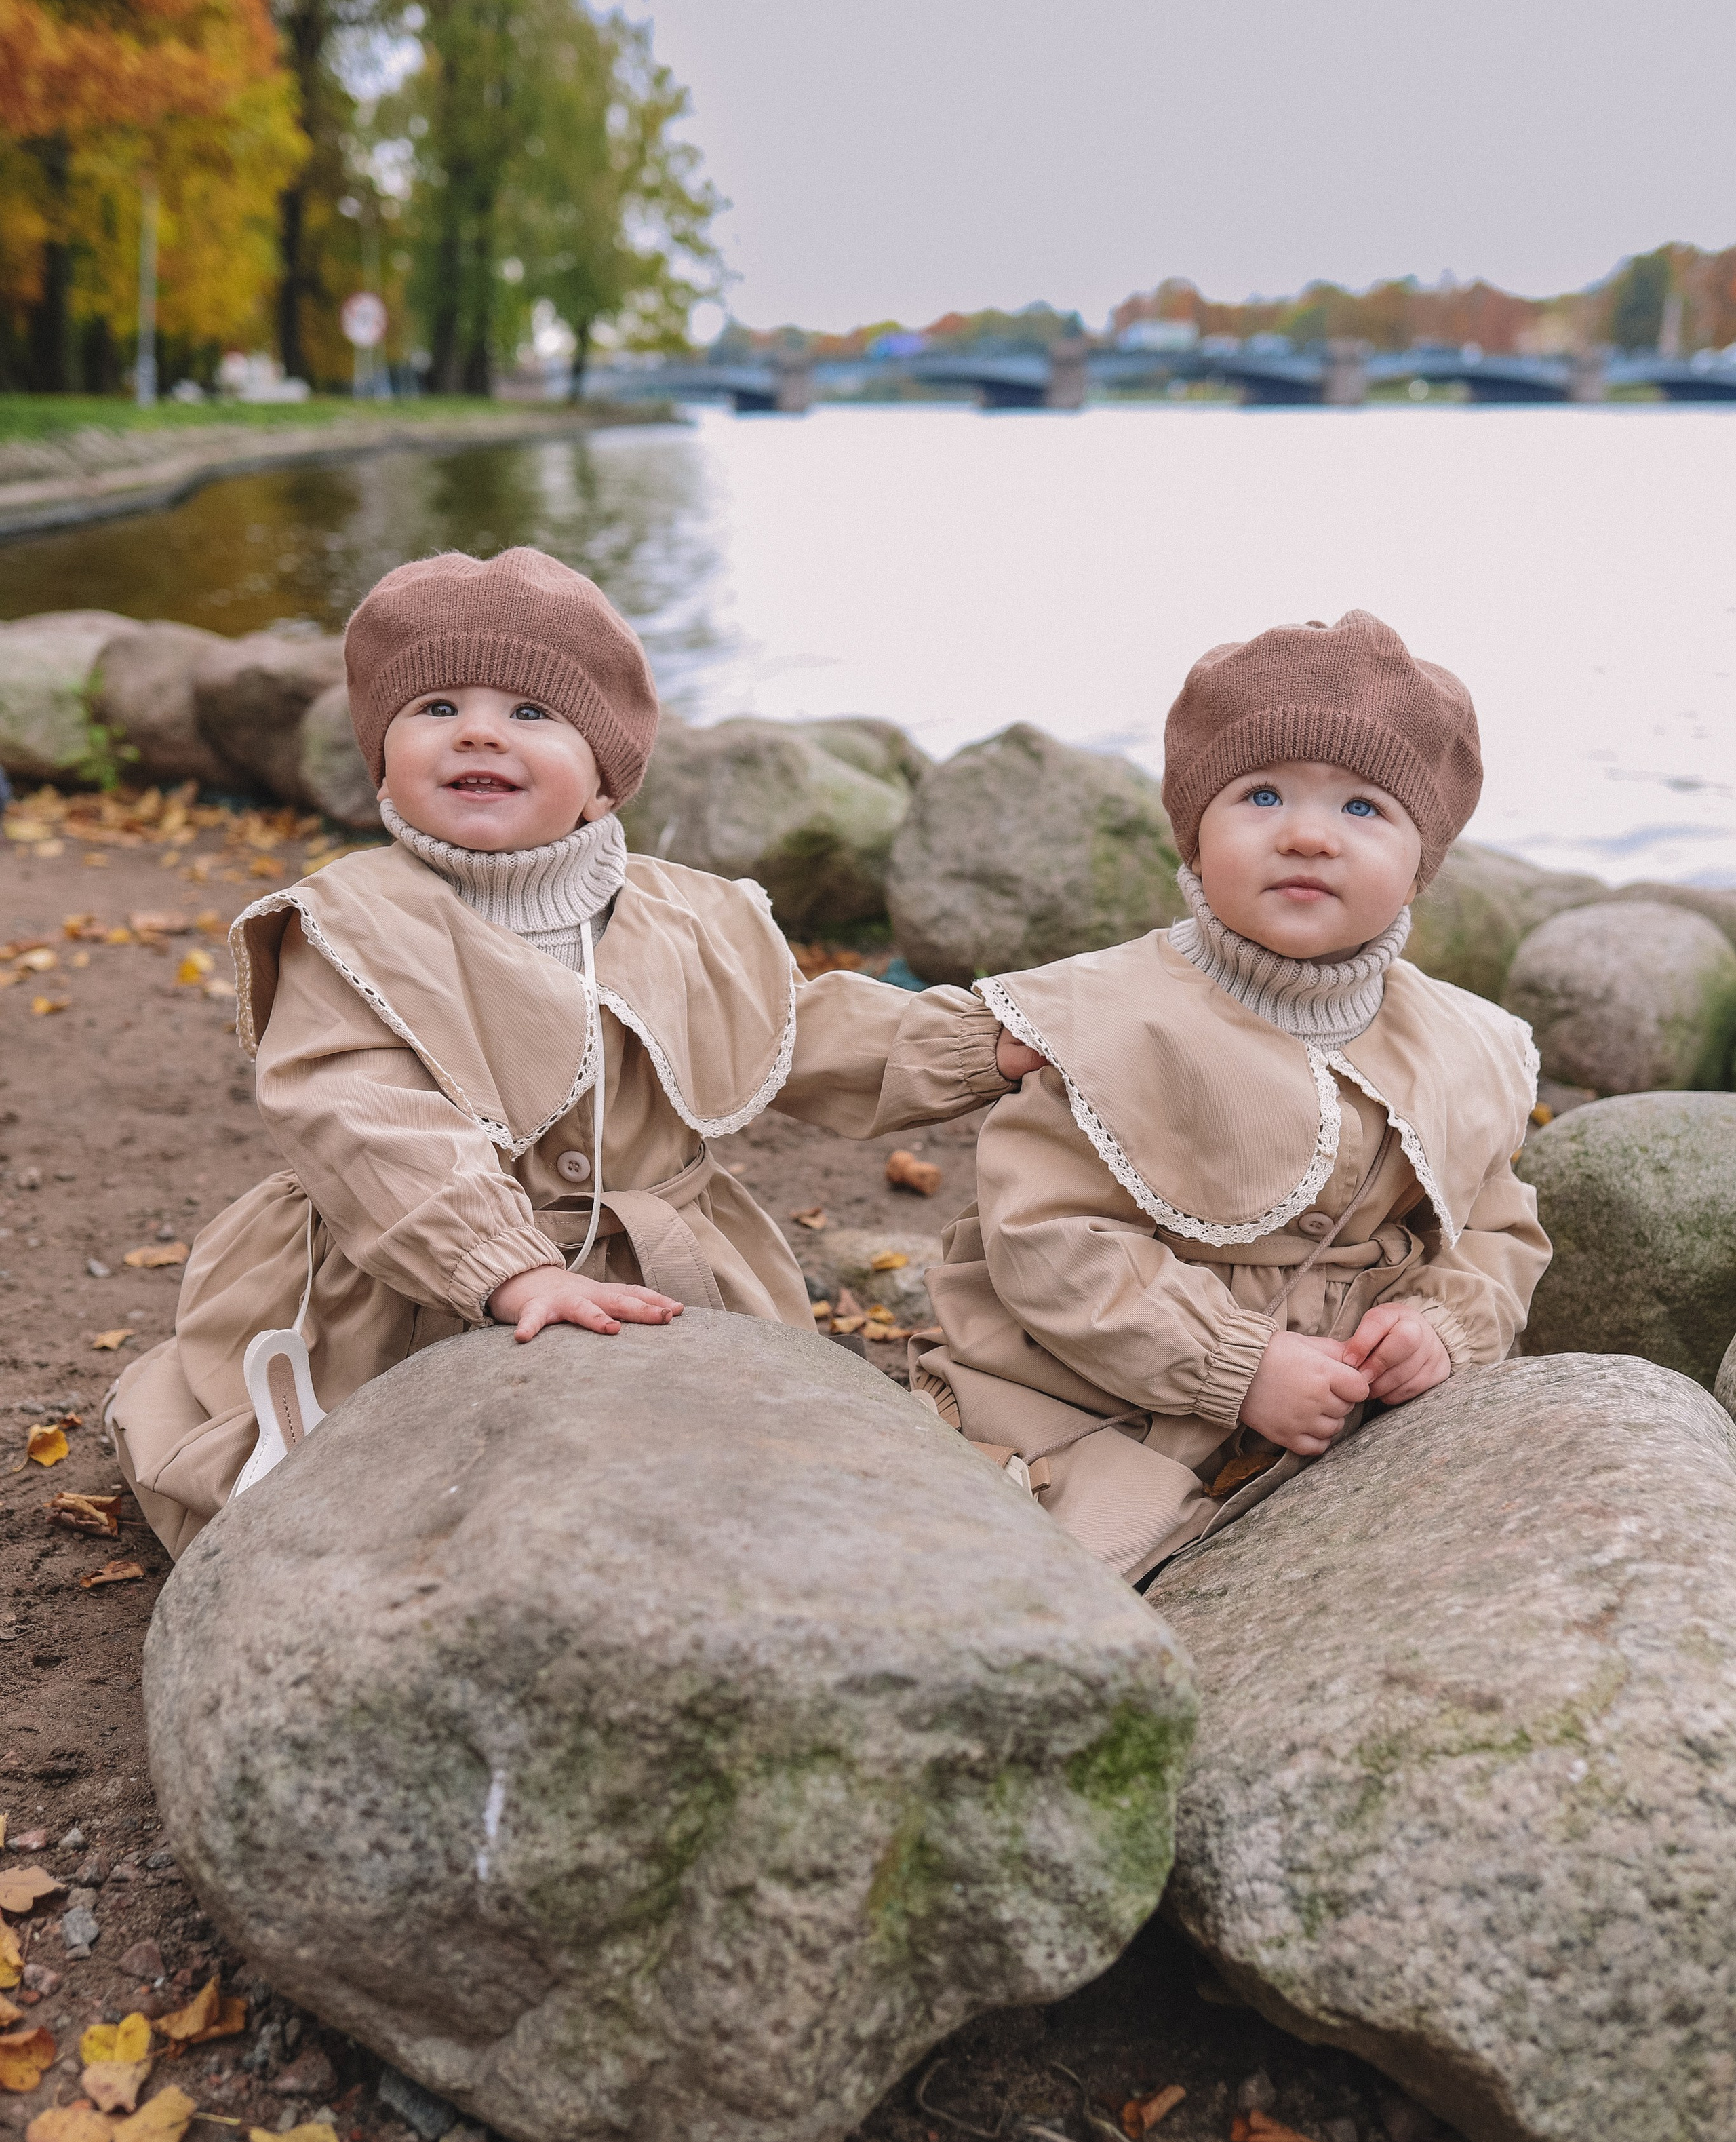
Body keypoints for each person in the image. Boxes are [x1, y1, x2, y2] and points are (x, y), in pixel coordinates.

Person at [111, 546, 1024, 1559]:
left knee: (743, 1493)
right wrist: (505, 1269)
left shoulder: (686, 915)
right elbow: (362, 1118)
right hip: (414, 1281)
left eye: (531, 712)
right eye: (437, 708)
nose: (480, 731)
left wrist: (981, 1045)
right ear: (382, 757)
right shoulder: (349, 927)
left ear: (604, 777)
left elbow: (796, 1028)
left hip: (661, 1263)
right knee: (378, 1519)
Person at [909, 608, 1551, 1588]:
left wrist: (1441, 1327)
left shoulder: (1463, 1045)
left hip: (1346, 1398)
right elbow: (1046, 1234)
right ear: (1194, 833)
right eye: (1261, 795)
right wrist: (1236, 1363)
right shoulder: (1117, 1019)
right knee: (1049, 1578)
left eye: (1364, 808)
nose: (1308, 835)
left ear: (1422, 860)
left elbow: (1495, 1226)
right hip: (1094, 1392)